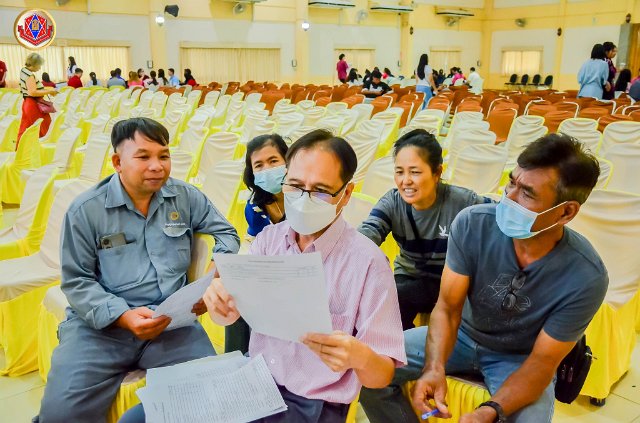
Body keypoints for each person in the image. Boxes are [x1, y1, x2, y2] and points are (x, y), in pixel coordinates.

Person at [120, 129, 407, 423]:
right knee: (138, 419)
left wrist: (359, 357)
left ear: (345, 194)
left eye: (320, 191)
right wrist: (220, 302)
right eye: (295, 186)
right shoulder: (269, 240)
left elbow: (382, 375)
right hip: (254, 382)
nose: (304, 199)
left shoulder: (367, 263)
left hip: (312, 402)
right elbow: (233, 312)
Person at [360, 133, 608, 423]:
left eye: (527, 194)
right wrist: (434, 367)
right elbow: (448, 308)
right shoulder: (473, 224)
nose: (509, 199)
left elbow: (542, 362)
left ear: (565, 212)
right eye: (511, 183)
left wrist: (490, 410)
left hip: (519, 357)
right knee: (366, 365)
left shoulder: (585, 276)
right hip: (462, 335)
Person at [35, 117, 241, 423]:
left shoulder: (184, 197)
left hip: (171, 325)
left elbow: (227, 234)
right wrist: (122, 315)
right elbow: (77, 281)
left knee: (215, 397)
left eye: (164, 155)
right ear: (118, 162)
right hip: (101, 330)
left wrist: (212, 276)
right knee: (60, 415)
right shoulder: (86, 210)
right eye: (143, 157)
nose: (157, 166)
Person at [358, 129, 487, 330]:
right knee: (387, 304)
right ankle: (405, 346)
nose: (405, 180)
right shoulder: (392, 202)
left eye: (415, 172)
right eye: (399, 172)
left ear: (437, 173)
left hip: (453, 279)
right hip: (410, 278)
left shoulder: (463, 201)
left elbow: (500, 216)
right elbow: (369, 232)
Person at [225, 134, 289, 356]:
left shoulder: (305, 198)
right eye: (259, 165)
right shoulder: (254, 207)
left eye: (273, 161)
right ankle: (237, 361)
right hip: (271, 274)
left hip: (302, 272)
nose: (267, 169)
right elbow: (254, 245)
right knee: (236, 296)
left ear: (288, 161)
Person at [17, 52, 57, 144]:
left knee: (25, 128)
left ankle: (21, 149)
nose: (40, 68)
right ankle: (42, 149)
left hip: (28, 103)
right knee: (43, 128)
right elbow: (33, 92)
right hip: (33, 104)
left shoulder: (23, 70)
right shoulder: (29, 75)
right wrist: (49, 91)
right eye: (39, 65)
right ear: (35, 64)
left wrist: (46, 90)